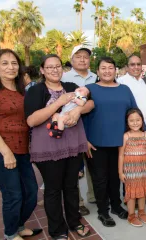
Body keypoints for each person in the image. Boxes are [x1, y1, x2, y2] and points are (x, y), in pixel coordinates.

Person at [24, 54, 90, 240]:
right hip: (48, 148)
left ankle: (75, 221)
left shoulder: (70, 87)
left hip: (73, 146)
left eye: (58, 66)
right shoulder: (36, 91)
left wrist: (77, 109)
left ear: (63, 68)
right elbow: (31, 120)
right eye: (50, 67)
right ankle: (57, 229)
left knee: (71, 187)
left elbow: (90, 103)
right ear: (43, 70)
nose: (55, 70)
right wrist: (60, 103)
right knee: (53, 189)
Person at [0, 49, 41, 240]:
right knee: (13, 195)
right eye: (5, 63)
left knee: (31, 192)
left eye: (14, 63)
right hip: (1, 151)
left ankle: (19, 225)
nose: (10, 67)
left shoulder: (22, 90)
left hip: (23, 150)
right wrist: (6, 152)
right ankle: (10, 233)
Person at [83, 57, 136, 227]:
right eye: (103, 68)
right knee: (100, 179)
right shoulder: (88, 90)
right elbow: (77, 115)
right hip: (96, 144)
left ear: (116, 70)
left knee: (116, 178)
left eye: (111, 68)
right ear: (97, 72)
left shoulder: (125, 89)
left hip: (120, 143)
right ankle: (103, 211)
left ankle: (115, 205)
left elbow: (133, 113)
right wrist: (83, 140)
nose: (107, 71)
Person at [61, 45, 97, 216]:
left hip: (92, 126)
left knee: (94, 164)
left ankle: (94, 195)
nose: (83, 59)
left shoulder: (96, 77)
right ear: (72, 58)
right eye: (79, 56)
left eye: (86, 56)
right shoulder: (63, 77)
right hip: (71, 129)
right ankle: (78, 202)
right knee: (74, 168)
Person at [117, 55, 146, 204]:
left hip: (145, 129)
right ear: (127, 66)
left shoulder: (144, 82)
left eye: (139, 64)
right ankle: (130, 196)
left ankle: (142, 193)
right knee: (130, 165)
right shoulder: (121, 82)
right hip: (129, 130)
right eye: (132, 64)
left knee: (144, 162)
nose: (136, 67)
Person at [118, 108, 146, 227]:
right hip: (130, 170)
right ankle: (131, 215)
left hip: (143, 170)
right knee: (131, 193)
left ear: (142, 120)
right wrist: (120, 172)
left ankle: (142, 212)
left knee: (142, 192)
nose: (135, 123)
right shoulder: (126, 136)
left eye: (138, 120)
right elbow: (121, 155)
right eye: (131, 120)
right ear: (127, 122)